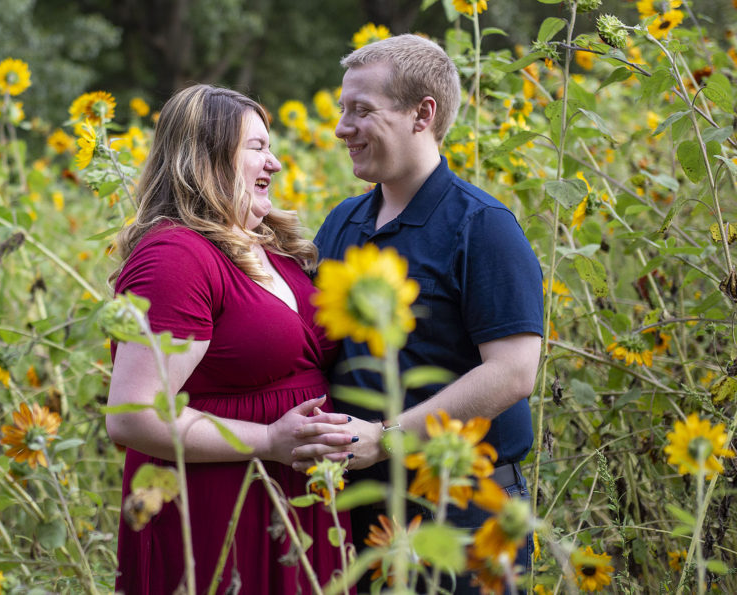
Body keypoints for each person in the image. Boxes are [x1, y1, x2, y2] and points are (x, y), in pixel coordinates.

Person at [294, 34, 544, 592]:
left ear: (421, 114)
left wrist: (387, 438)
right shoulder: (341, 223)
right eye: (342, 110)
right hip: (360, 508)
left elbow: (513, 371)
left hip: (462, 506)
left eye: (362, 111)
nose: (341, 128)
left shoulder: (483, 226)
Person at [105, 84, 354, 595]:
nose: (276, 163)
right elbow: (133, 415)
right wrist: (268, 441)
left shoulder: (274, 250)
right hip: (220, 506)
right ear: (206, 158)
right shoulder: (176, 256)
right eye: (258, 148)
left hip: (298, 500)